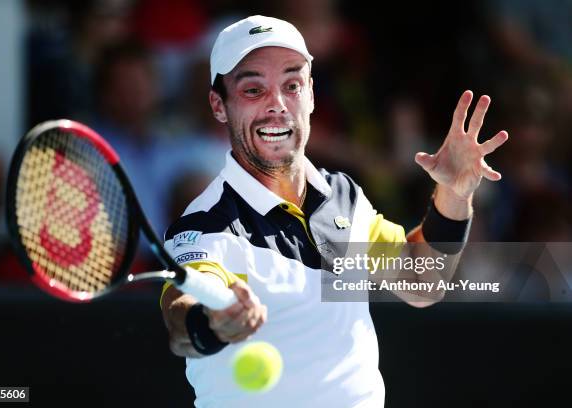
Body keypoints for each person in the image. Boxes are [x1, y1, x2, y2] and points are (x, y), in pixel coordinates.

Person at [160, 15, 508, 407]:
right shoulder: (206, 227)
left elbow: (422, 280)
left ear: (310, 93)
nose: (277, 105)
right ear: (218, 105)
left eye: (291, 85)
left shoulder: (344, 197)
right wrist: (210, 323)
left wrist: (454, 193)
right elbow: (181, 316)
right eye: (253, 89)